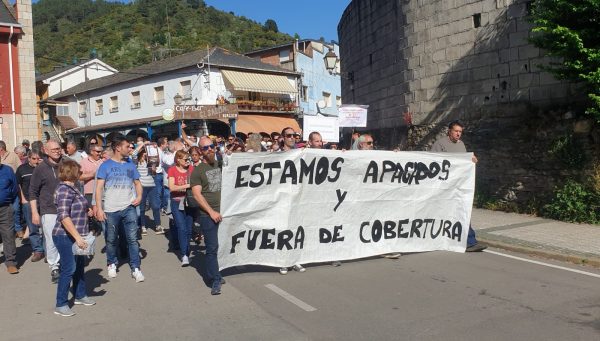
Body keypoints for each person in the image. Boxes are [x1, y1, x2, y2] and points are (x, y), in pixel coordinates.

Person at [95, 134, 145, 282]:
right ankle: (111, 263)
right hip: (111, 209)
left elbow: (137, 183)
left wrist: (140, 196)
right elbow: (98, 188)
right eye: (126, 146)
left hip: (129, 207)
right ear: (118, 148)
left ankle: (135, 268)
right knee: (111, 240)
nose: (130, 148)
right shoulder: (105, 166)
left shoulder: (130, 166)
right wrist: (99, 208)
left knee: (132, 239)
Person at [431, 120, 486, 252]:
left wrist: (472, 161)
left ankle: (470, 241)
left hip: (458, 186)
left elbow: (464, 162)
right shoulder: (440, 144)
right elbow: (432, 162)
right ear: (449, 131)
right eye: (456, 131)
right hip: (444, 187)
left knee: (463, 211)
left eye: (460, 132)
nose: (458, 134)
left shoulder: (461, 145)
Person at [53, 160, 96, 317]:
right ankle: (61, 303)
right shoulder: (64, 190)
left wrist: (87, 211)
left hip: (76, 234)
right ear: (72, 172)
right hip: (65, 235)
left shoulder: (74, 188)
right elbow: (64, 216)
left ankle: (80, 295)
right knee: (68, 268)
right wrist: (77, 237)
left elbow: (76, 208)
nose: (81, 173)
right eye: (79, 171)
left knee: (78, 266)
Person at [190, 136, 224, 295]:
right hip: (208, 215)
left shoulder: (222, 164)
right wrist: (211, 212)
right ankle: (215, 280)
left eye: (212, 146)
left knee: (221, 246)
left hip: (225, 211)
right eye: (205, 148)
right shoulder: (197, 171)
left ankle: (217, 272)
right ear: (200, 151)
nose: (209, 149)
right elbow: (197, 195)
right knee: (211, 248)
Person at [29, 139, 63, 283]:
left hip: (66, 208)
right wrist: (35, 213)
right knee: (51, 239)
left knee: (67, 238)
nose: (57, 151)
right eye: (53, 149)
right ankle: (54, 266)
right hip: (49, 210)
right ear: (46, 151)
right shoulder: (40, 169)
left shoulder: (66, 164)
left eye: (58, 148)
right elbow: (32, 191)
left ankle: (66, 262)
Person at [278, 127, 306, 275]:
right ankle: (283, 261)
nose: (292, 138)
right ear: (283, 137)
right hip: (281, 197)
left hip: (297, 196)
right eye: (288, 135)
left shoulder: (301, 154)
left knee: (296, 227)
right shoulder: (276, 155)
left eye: (294, 135)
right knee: (283, 228)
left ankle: (295, 259)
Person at [168, 150, 195, 267]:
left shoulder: (191, 169)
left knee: (189, 230)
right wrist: (187, 186)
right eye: (185, 159)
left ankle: (186, 250)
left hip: (190, 202)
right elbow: (172, 187)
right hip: (176, 202)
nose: (188, 161)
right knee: (181, 228)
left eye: (189, 159)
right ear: (178, 160)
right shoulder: (172, 170)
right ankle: (184, 255)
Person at [16, 151, 44, 262]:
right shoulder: (22, 169)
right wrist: (22, 199)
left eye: (38, 159)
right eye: (34, 159)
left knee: (46, 226)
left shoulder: (43, 168)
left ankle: (48, 250)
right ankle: (38, 250)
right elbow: (18, 184)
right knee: (33, 228)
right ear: (28, 158)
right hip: (28, 201)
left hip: (43, 201)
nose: (36, 161)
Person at [136, 147, 163, 235]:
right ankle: (143, 227)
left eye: (147, 154)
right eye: (144, 154)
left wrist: (154, 170)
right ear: (141, 154)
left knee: (155, 206)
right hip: (142, 186)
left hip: (152, 186)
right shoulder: (137, 161)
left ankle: (158, 225)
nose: (145, 155)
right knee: (142, 208)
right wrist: (143, 144)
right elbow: (133, 154)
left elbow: (154, 174)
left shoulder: (150, 162)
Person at [0, 153, 19, 274]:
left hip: (5, 208)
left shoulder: (8, 170)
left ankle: (11, 262)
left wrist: (10, 203)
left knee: (8, 235)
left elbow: (14, 189)